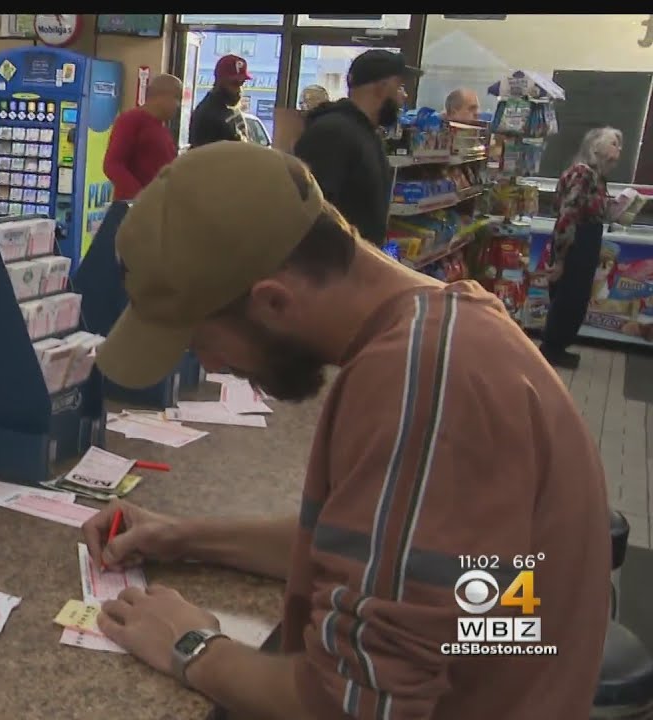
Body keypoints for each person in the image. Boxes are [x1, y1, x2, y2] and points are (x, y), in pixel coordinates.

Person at [82, 142, 609, 719]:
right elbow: (387, 560)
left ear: (274, 302)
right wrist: (183, 538)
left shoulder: (421, 383)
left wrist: (191, 646)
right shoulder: (448, 324)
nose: (210, 366)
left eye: (197, 342)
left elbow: (357, 706)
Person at [294, 49, 420, 247]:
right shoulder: (332, 133)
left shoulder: (367, 134)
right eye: (399, 87)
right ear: (381, 88)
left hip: (356, 266)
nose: (403, 96)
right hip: (332, 269)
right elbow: (312, 211)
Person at [540, 126, 623, 369]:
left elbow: (594, 209)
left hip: (587, 239)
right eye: (613, 143)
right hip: (574, 242)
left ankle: (559, 346)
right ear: (595, 146)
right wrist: (561, 259)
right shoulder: (582, 173)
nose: (618, 149)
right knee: (567, 297)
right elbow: (568, 215)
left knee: (577, 298)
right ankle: (550, 349)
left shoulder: (598, 176)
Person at [103, 74, 181, 201]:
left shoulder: (161, 128)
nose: (178, 105)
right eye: (176, 97)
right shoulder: (131, 120)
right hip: (136, 208)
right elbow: (112, 164)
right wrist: (140, 196)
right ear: (160, 95)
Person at [188, 54, 250, 148]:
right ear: (219, 81)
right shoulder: (208, 113)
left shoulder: (231, 109)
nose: (239, 90)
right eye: (234, 83)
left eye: (242, 83)